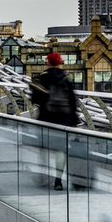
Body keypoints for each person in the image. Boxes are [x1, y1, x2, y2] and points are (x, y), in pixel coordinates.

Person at [30, 53, 79, 191]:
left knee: (44, 148)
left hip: (45, 118)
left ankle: (44, 176)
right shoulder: (66, 78)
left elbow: (34, 100)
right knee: (60, 151)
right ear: (60, 63)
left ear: (48, 63)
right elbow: (73, 102)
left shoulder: (42, 77)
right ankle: (58, 181)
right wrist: (74, 121)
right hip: (63, 120)